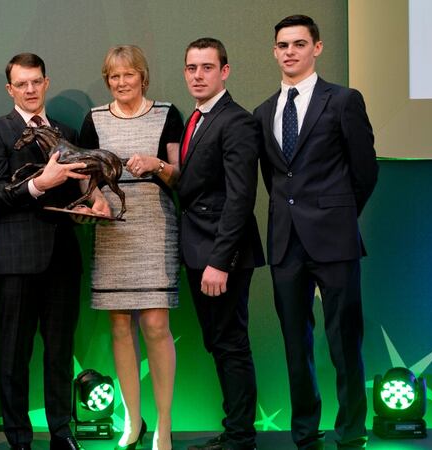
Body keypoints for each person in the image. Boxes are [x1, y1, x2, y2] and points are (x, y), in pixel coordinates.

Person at [253, 15, 378, 450]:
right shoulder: (264, 111)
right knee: (295, 343)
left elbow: (365, 171)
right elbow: (276, 180)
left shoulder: (343, 100)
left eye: (299, 44)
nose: (290, 51)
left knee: (345, 340)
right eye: (283, 44)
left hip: (335, 239)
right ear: (274, 51)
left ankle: (351, 432)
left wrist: (337, 216)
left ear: (317, 48)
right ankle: (305, 433)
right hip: (286, 244)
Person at [0, 53, 91, 450]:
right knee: (14, 356)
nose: (30, 89)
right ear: (10, 89)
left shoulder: (65, 129)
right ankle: (19, 440)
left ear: (46, 82)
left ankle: (62, 433)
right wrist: (41, 183)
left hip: (62, 259)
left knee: (60, 353)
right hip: (16, 261)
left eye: (36, 82)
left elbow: (81, 187)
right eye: (21, 84)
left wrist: (90, 205)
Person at [78, 45, 183, 450]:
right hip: (112, 230)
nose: (122, 83)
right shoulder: (95, 120)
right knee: (120, 327)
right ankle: (132, 421)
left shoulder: (166, 114)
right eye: (114, 77)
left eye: (129, 75)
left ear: (143, 76)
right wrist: (94, 199)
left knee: (156, 326)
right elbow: (84, 178)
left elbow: (178, 176)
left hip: (154, 226)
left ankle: (164, 424)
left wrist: (156, 165)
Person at [178, 38, 264, 450]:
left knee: (230, 343)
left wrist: (220, 261)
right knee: (220, 342)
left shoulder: (238, 121)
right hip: (198, 249)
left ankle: (240, 437)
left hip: (220, 255)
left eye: (207, 68)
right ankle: (235, 431)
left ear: (224, 71)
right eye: (192, 68)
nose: (198, 75)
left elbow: (240, 198)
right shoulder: (196, 119)